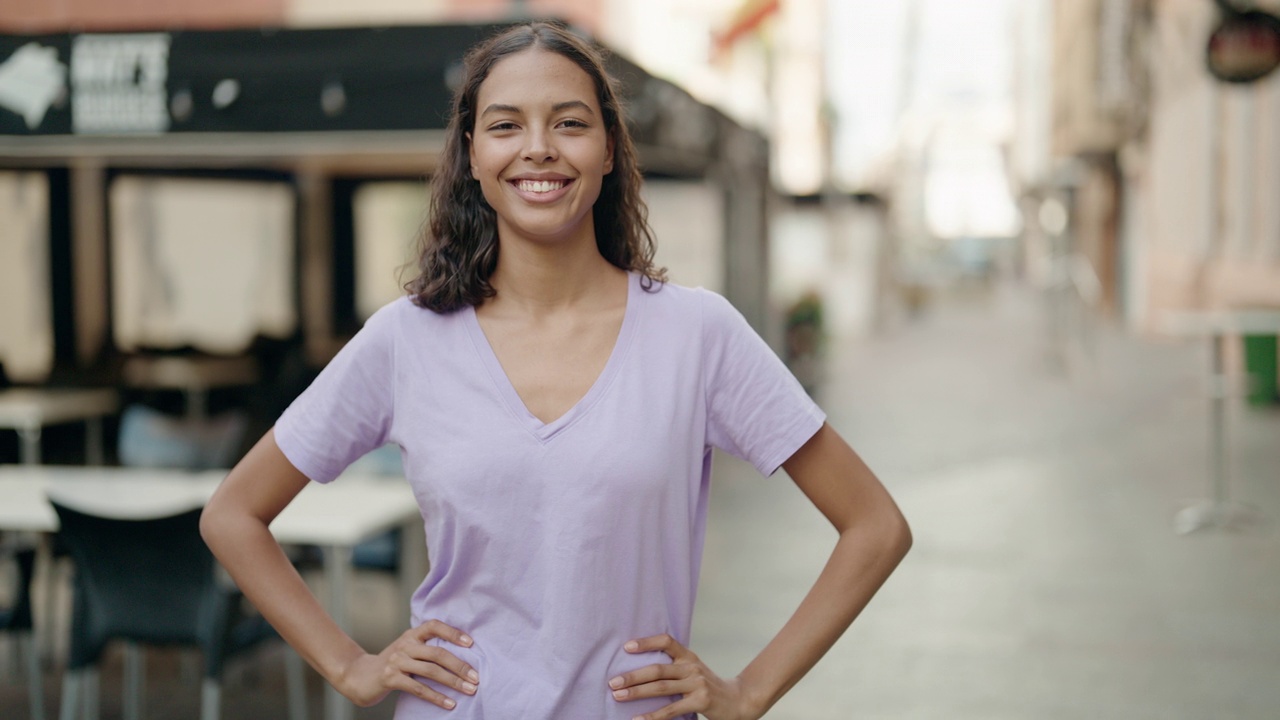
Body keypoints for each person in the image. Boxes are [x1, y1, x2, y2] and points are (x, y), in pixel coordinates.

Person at [201, 21, 910, 720]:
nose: (538, 149)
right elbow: (234, 514)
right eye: (506, 126)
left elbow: (874, 527)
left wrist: (750, 692)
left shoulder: (698, 335)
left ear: (608, 150)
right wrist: (352, 665)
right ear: (472, 155)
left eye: (569, 123)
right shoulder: (405, 340)